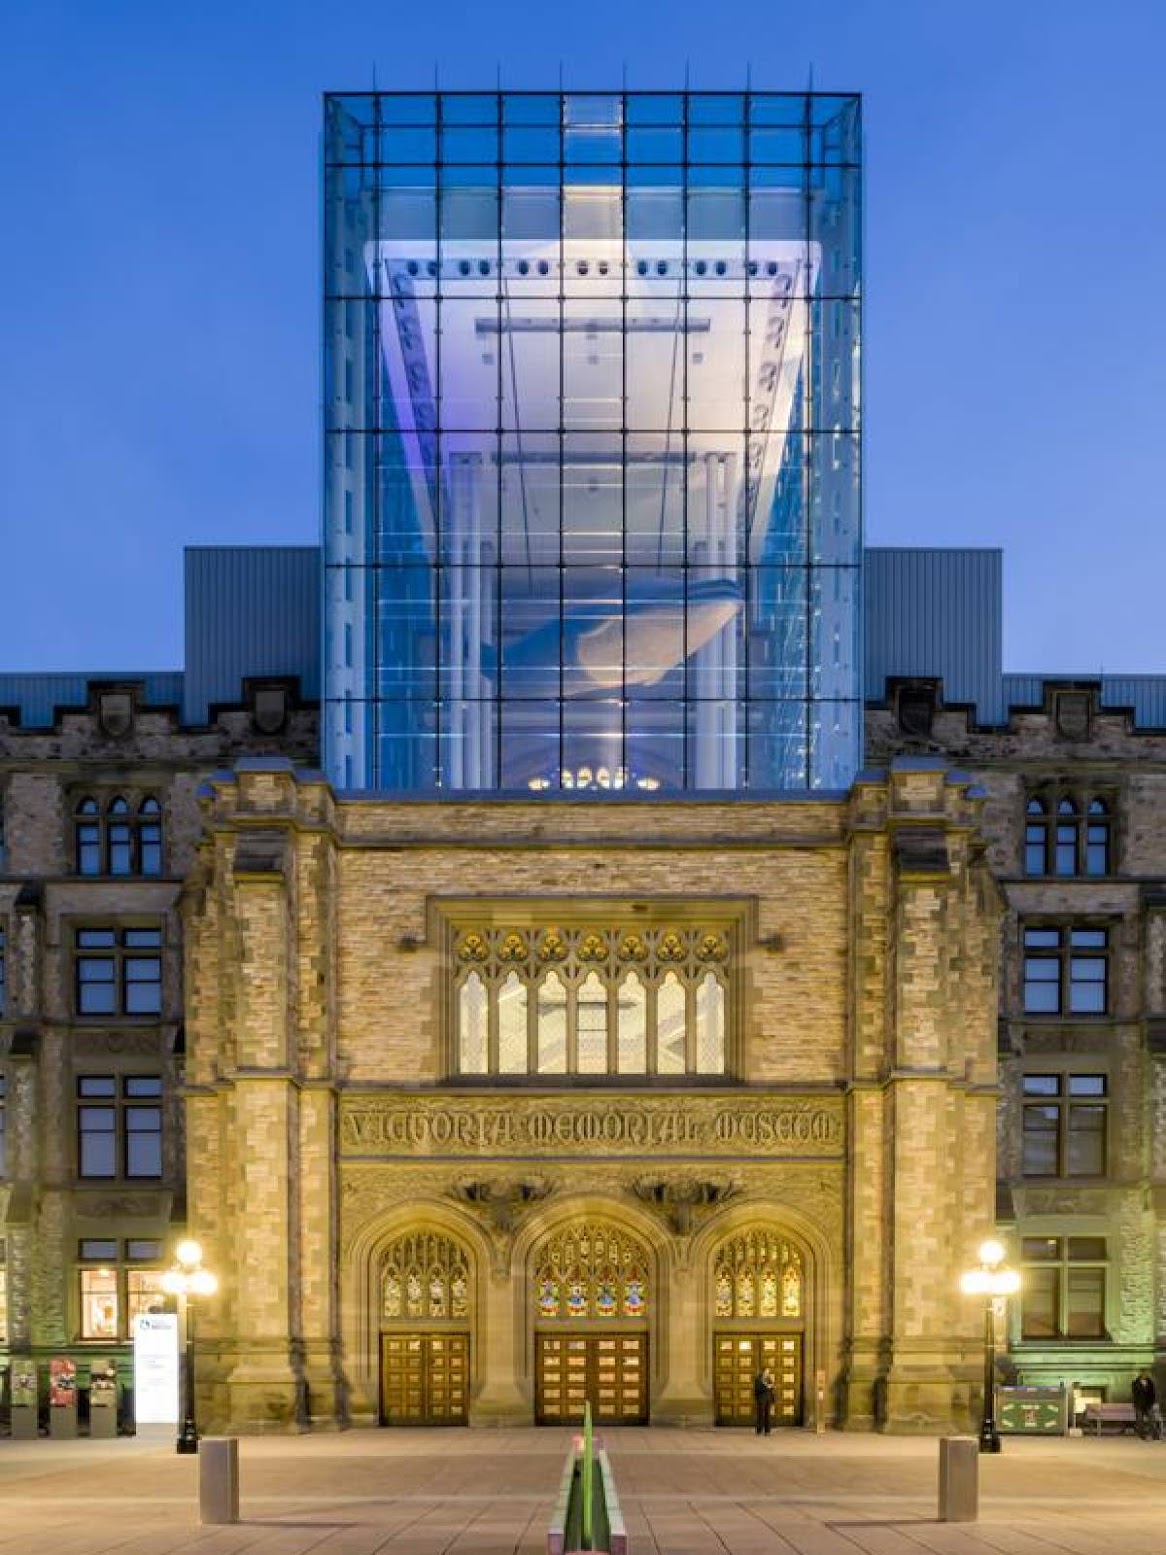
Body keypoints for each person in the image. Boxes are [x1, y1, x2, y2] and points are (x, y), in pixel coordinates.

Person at [1132, 1370, 1156, 1439]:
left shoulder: (1150, 1382)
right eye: (1144, 1373)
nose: (1145, 1375)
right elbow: (1135, 1394)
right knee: (1140, 1421)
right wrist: (1136, 1403)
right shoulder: (1135, 1383)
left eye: (1146, 1374)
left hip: (1148, 1404)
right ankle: (1141, 1435)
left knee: (1152, 1420)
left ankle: (1155, 1435)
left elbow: (1153, 1393)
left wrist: (1152, 1402)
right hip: (1139, 1404)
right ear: (1141, 1374)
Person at [754, 1366, 775, 1436]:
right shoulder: (758, 1380)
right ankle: (759, 1430)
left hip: (768, 1399)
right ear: (763, 1372)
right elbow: (757, 1390)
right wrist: (766, 1387)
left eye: (768, 1372)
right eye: (766, 1372)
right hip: (761, 1399)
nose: (767, 1373)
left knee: (767, 1415)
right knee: (761, 1415)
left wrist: (771, 1387)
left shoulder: (769, 1379)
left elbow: (772, 1389)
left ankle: (767, 1431)